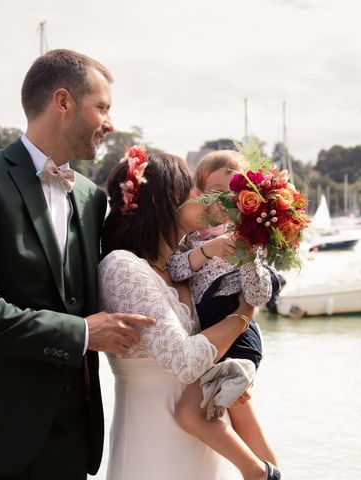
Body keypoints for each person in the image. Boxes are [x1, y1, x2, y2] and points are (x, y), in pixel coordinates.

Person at [0, 49, 155, 480]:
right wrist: (83, 333)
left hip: (66, 442)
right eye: (103, 107)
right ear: (63, 102)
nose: (109, 123)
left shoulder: (91, 197)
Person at [98, 149, 257, 480]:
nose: (207, 198)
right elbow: (184, 361)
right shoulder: (123, 267)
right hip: (154, 448)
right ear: (162, 202)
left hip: (206, 443)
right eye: (195, 191)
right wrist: (243, 315)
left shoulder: (187, 267)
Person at [168, 150, 282, 480]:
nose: (226, 198)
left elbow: (260, 296)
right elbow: (175, 271)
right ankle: (265, 472)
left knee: (202, 412)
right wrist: (207, 251)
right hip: (211, 338)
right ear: (200, 193)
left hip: (240, 340)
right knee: (244, 423)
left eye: (235, 190)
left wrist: (248, 257)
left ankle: (258, 471)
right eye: (216, 189)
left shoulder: (252, 241)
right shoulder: (190, 239)